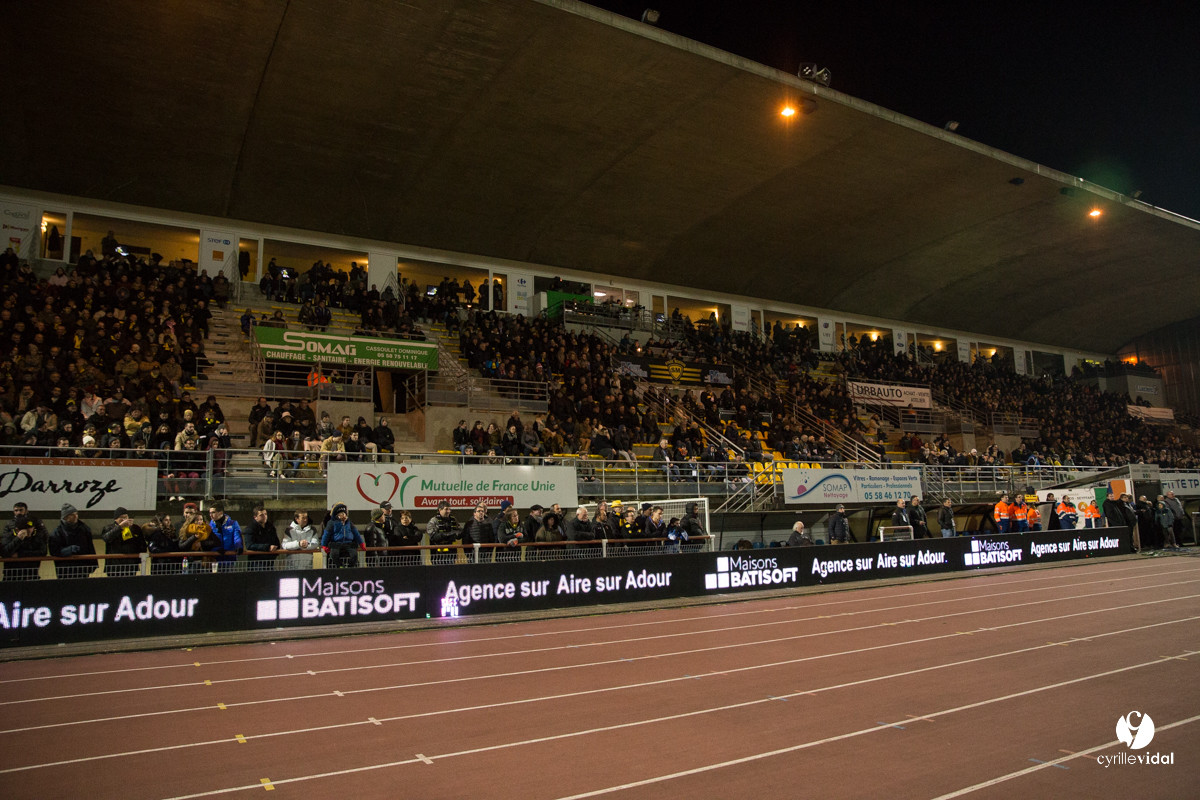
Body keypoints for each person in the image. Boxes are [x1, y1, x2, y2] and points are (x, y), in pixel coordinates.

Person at [49, 503, 98, 579]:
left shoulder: (85, 529)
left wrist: (93, 564)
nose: (76, 516)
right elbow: (54, 551)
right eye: (72, 514)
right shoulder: (57, 533)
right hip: (65, 570)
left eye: (76, 514)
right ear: (65, 517)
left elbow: (90, 547)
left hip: (82, 569)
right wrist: (69, 550)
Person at [3, 502, 49, 580]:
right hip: (12, 574)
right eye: (16, 510)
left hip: (31, 572)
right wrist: (18, 539)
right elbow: (5, 552)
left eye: (21, 510)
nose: (18, 512)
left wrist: (20, 554)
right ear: (18, 529)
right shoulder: (9, 533)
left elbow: (43, 551)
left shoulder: (37, 536)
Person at [101, 507, 146, 577]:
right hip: (114, 566)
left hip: (130, 565)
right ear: (116, 519)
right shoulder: (108, 528)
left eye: (126, 517)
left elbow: (141, 544)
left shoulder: (135, 528)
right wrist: (120, 527)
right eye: (122, 517)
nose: (124, 519)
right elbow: (106, 538)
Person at [322, 503, 365, 568]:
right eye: (341, 514)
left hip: (349, 543)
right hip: (336, 544)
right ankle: (340, 566)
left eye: (344, 513)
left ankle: (350, 567)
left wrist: (361, 543)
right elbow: (326, 534)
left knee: (354, 555)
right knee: (334, 555)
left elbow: (356, 533)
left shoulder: (349, 523)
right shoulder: (332, 523)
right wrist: (324, 545)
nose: (343, 515)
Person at [242, 505, 280, 571]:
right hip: (256, 563)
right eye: (261, 515)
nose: (264, 516)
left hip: (269, 562)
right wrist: (267, 547)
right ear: (255, 517)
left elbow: (276, 542)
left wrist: (275, 549)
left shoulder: (270, 527)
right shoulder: (250, 528)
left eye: (265, 514)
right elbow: (250, 545)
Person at [208, 501, 243, 571]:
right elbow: (209, 541)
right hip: (215, 559)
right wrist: (216, 549)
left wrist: (239, 546)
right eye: (210, 513)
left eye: (213, 512)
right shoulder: (209, 526)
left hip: (230, 558)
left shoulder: (233, 523)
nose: (210, 515)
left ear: (220, 512)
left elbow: (237, 537)